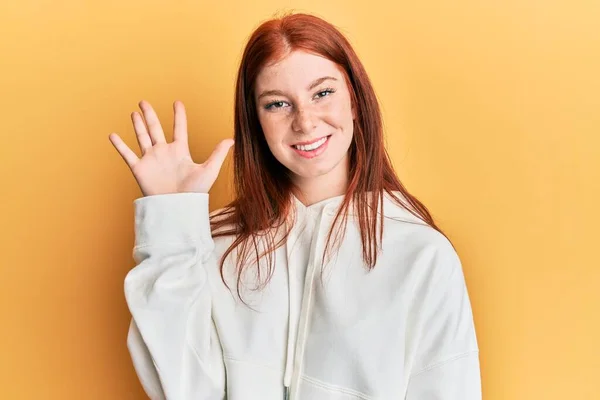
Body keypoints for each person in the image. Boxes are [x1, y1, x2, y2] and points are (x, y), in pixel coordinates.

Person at [108, 12, 481, 400]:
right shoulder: (214, 246)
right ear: (256, 121)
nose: (304, 122)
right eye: (277, 104)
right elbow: (179, 388)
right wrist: (172, 219)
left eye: (322, 93)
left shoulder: (422, 256)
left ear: (354, 100)